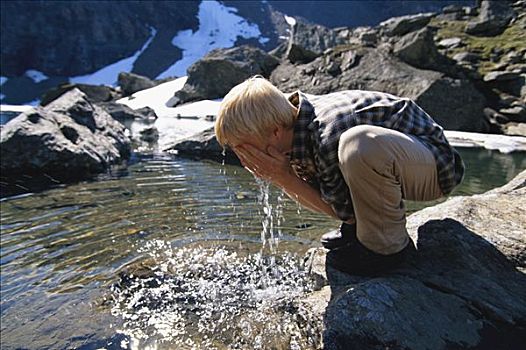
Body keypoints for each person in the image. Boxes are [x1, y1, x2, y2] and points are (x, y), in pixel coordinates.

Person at [215, 75, 464, 275]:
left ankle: (389, 248)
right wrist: (283, 175)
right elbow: (331, 198)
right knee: (354, 153)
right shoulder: (296, 126)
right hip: (402, 163)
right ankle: (363, 234)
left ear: (275, 132)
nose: (242, 153)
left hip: (437, 167)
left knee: (358, 143)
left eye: (244, 146)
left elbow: (345, 212)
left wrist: (284, 177)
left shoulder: (329, 130)